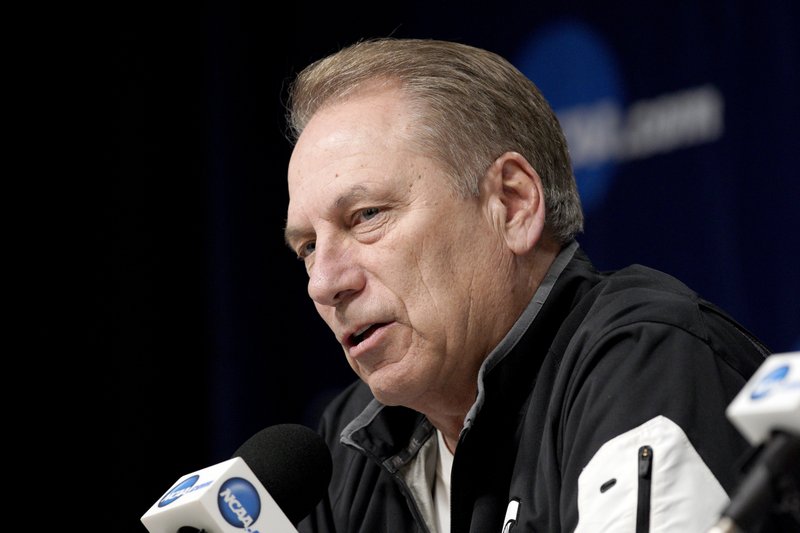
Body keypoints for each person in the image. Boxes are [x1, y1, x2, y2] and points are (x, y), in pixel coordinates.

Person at [282, 38, 770, 533]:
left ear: (512, 205)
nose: (323, 283)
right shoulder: (350, 447)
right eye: (307, 247)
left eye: (366, 216)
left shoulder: (645, 360)